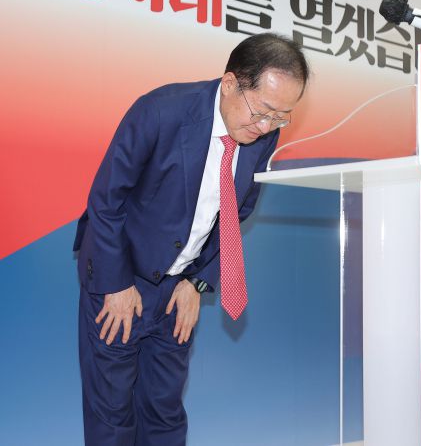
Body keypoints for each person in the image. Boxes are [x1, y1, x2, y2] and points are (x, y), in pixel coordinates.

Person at [73, 33, 309, 446]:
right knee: (112, 415)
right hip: (122, 280)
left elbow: (236, 212)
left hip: (178, 290)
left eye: (281, 117)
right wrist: (116, 284)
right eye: (262, 112)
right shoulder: (161, 111)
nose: (266, 127)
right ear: (231, 83)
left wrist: (197, 282)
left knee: (164, 412)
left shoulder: (262, 134)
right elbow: (106, 202)